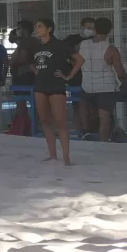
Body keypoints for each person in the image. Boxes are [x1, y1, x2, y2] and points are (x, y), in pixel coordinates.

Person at [32, 18, 83, 166]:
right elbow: (32, 63)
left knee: (60, 121)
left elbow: (79, 60)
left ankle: (66, 157)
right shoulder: (35, 47)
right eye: (36, 27)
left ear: (49, 29)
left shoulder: (59, 45)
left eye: (40, 26)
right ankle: (52, 155)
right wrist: (36, 71)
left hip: (56, 86)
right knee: (45, 121)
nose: (37, 29)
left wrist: (68, 76)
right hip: (40, 86)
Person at [80, 16, 126, 143]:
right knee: (104, 118)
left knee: (85, 108)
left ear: (94, 29)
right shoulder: (110, 49)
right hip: (106, 88)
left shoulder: (82, 45)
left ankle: (85, 132)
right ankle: (102, 144)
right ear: (109, 31)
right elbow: (120, 71)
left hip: (87, 87)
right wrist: (125, 83)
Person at [64, 17, 93, 135]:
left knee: (89, 104)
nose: (90, 30)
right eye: (88, 28)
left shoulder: (95, 40)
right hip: (76, 77)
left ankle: (88, 129)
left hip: (91, 77)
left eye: (92, 28)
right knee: (77, 104)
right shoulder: (72, 40)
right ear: (82, 27)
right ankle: (79, 130)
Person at [8, 20, 37, 133]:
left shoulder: (26, 42)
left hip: (23, 75)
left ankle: (22, 127)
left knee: (21, 103)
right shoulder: (32, 41)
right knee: (31, 102)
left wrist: (12, 63)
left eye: (18, 28)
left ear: (23, 30)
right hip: (29, 75)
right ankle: (27, 126)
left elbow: (22, 58)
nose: (17, 31)